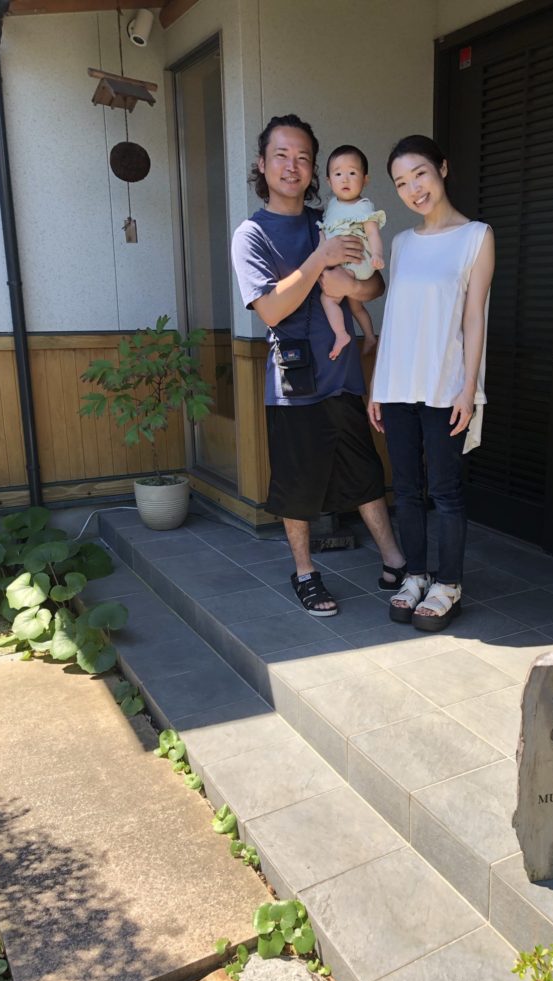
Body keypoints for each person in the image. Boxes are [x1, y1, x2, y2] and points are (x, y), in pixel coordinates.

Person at [231, 114, 404, 617]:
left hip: (343, 373)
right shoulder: (252, 234)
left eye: (303, 157)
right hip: (294, 382)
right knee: (297, 485)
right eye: (281, 155)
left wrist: (353, 285)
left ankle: (394, 559)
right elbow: (270, 309)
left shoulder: (331, 217)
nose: (292, 166)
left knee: (365, 471)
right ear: (262, 164)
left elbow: (375, 284)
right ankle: (305, 572)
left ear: (314, 170)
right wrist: (319, 259)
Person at [368, 134, 495, 633]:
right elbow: (395, 317)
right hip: (398, 384)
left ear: (442, 168)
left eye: (419, 174)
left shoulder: (476, 236)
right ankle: (416, 576)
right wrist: (377, 385)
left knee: (445, 490)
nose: (413, 189)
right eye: (401, 183)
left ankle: (449, 585)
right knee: (405, 488)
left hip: (445, 385)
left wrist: (469, 389)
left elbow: (474, 318)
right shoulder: (401, 243)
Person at [318, 145, 385, 360]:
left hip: (356, 261)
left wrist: (377, 254)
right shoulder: (332, 206)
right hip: (347, 264)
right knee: (356, 305)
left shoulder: (364, 206)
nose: (345, 179)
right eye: (338, 174)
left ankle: (341, 334)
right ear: (329, 181)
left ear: (365, 180)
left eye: (352, 173)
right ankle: (370, 336)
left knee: (328, 299)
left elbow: (373, 233)